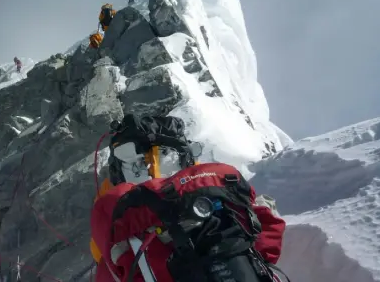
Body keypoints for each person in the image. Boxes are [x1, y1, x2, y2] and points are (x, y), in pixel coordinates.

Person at [89, 114, 289, 282]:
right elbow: (267, 236)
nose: (150, 168)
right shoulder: (218, 181)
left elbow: (105, 262)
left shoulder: (115, 207)